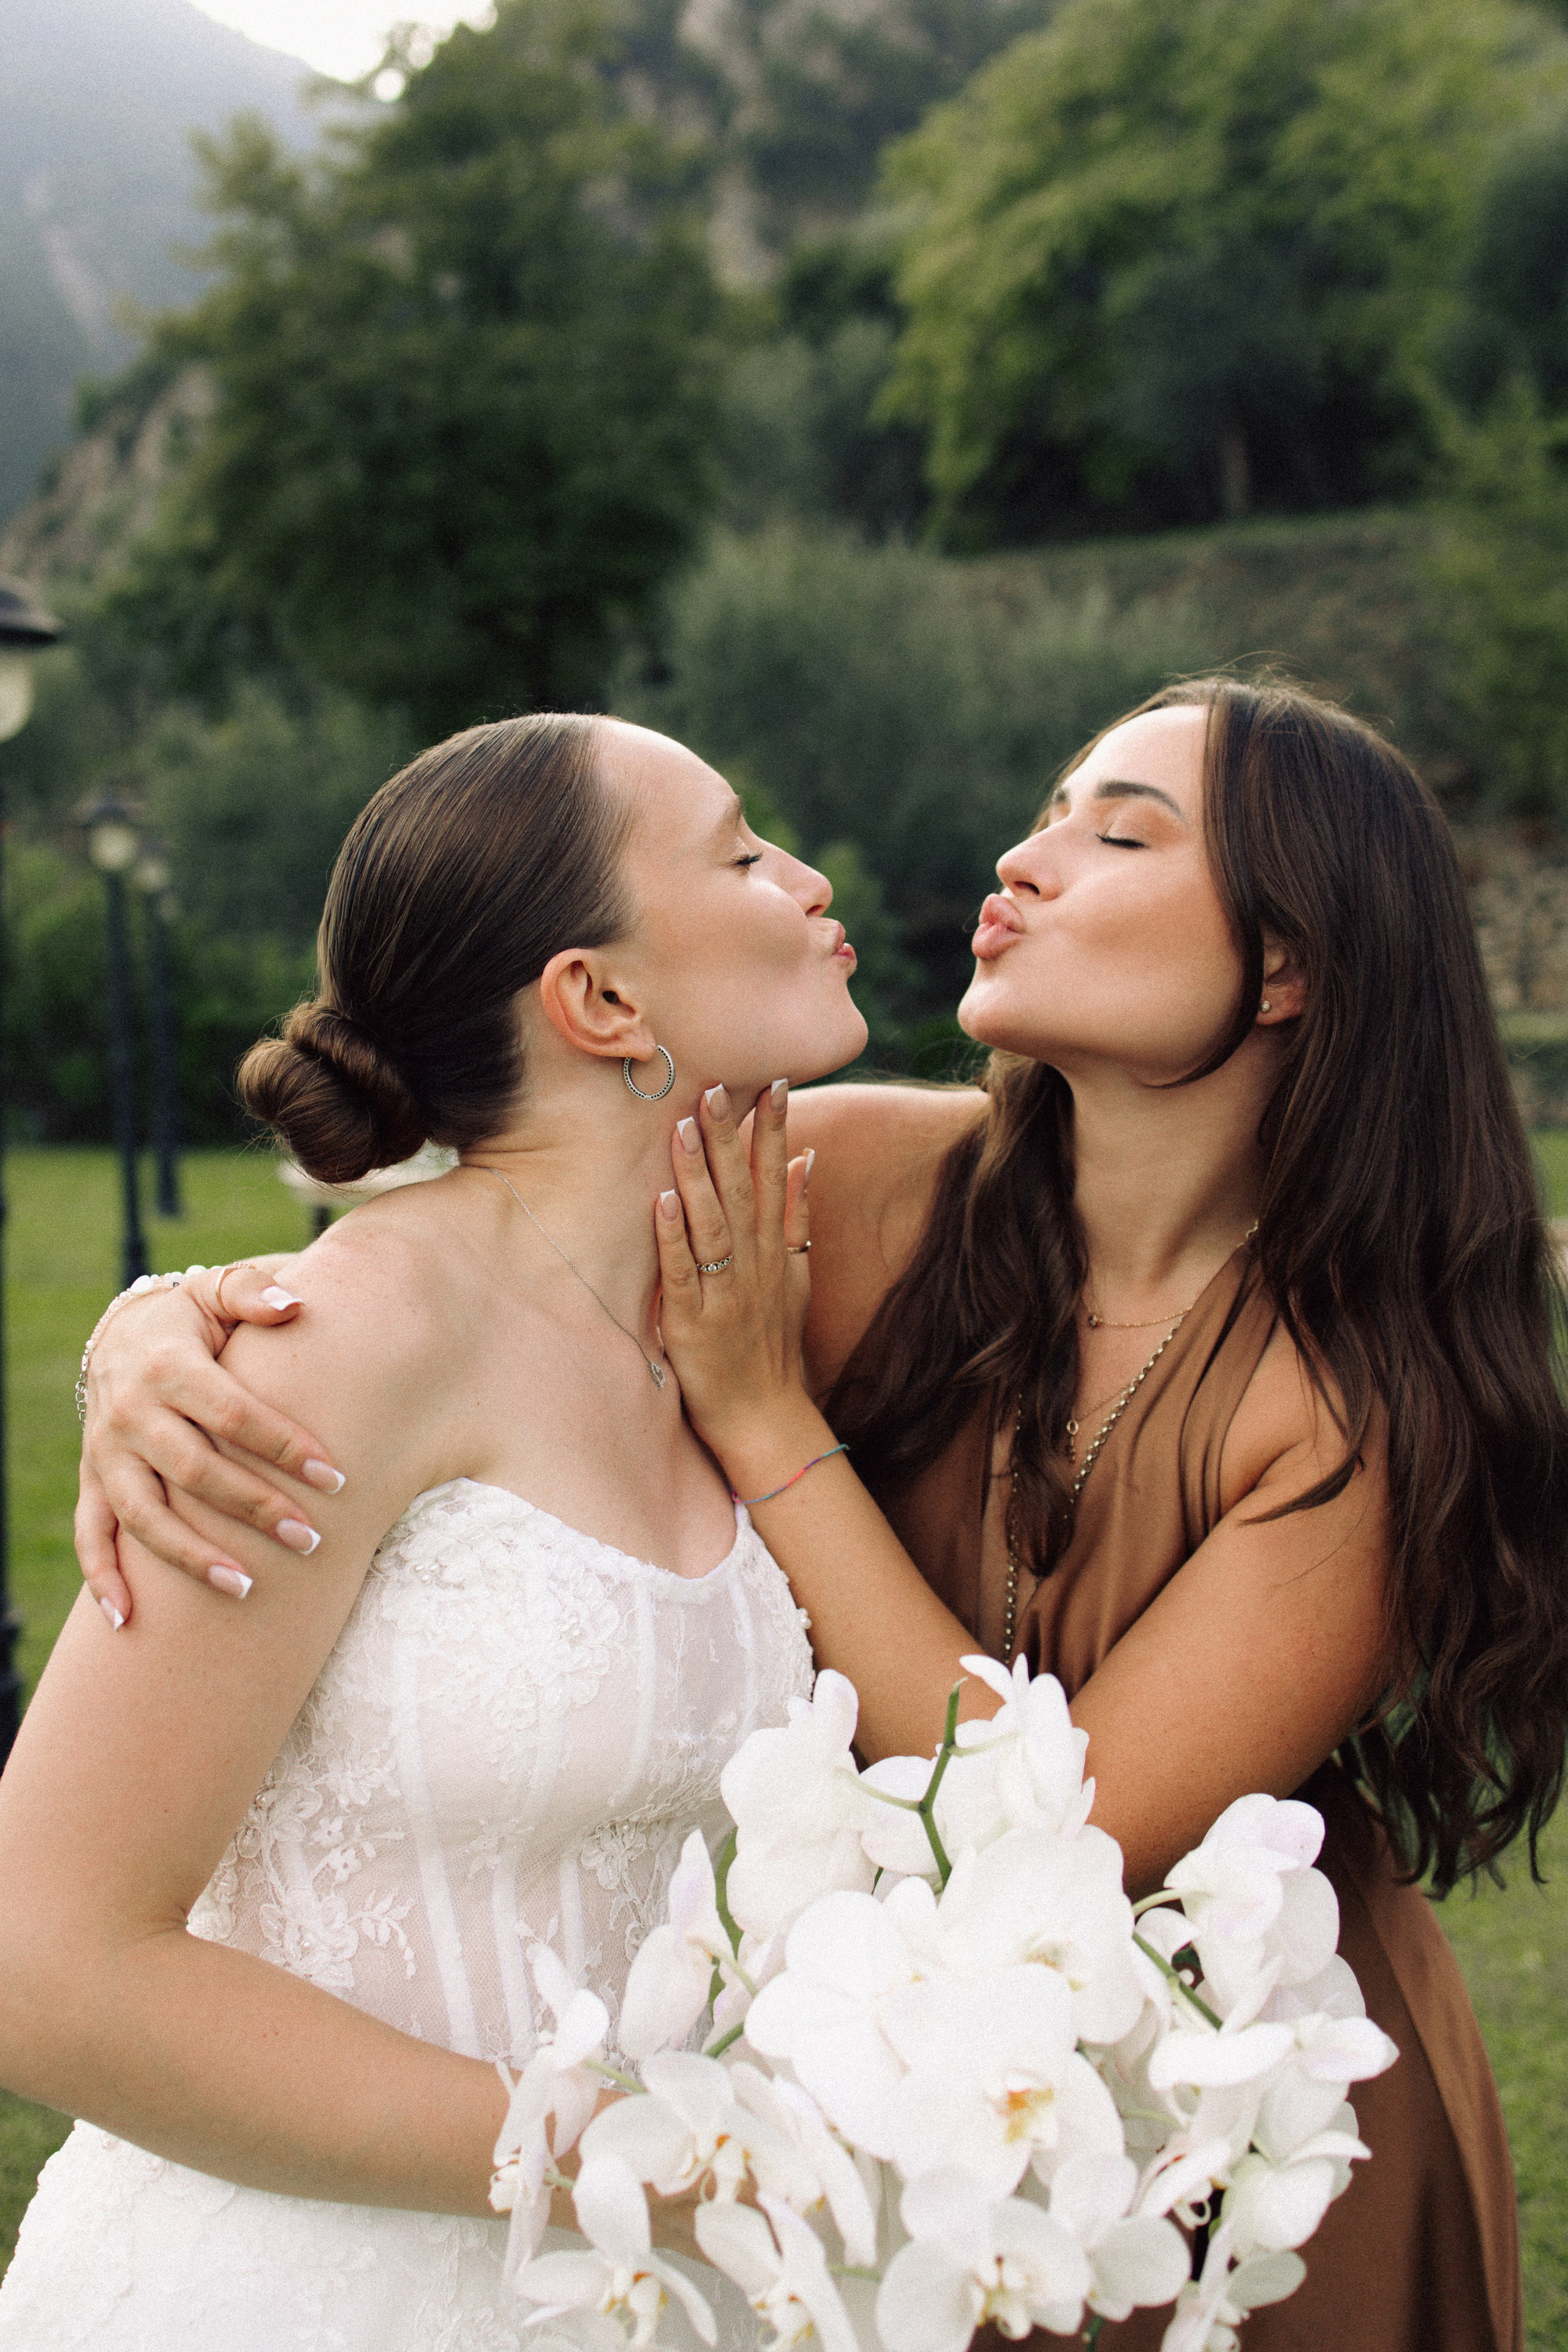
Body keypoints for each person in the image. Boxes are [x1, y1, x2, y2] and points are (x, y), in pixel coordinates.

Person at [72, 682, 1566, 2352]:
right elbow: (494, 1238)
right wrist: (162, 1330)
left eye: (1118, 831)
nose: (1026, 857)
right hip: (852, 2137)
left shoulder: (1365, 1405)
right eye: (1052, 806)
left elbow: (1056, 1840)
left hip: (1222, 2114)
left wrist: (772, 1421)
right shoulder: (853, 1182)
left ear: (1289, 964)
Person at [0, 711, 872, 2348]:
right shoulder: (339, 1348)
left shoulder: (734, 1291)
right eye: (745, 850)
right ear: (600, 1000)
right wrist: (618, 2147)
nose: (810, 882)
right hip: (296, 2292)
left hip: (638, 2292)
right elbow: (41, 1965)